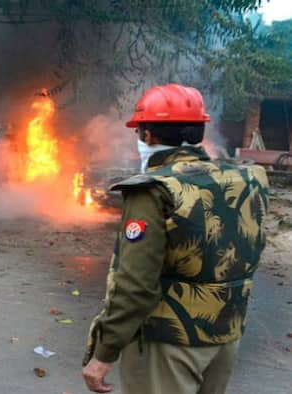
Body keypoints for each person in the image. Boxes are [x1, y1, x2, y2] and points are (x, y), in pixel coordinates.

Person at [81, 83, 269, 394]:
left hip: (168, 343)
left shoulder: (154, 190)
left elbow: (136, 285)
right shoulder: (246, 178)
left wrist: (105, 351)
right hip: (226, 336)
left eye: (140, 132)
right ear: (198, 132)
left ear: (148, 135)